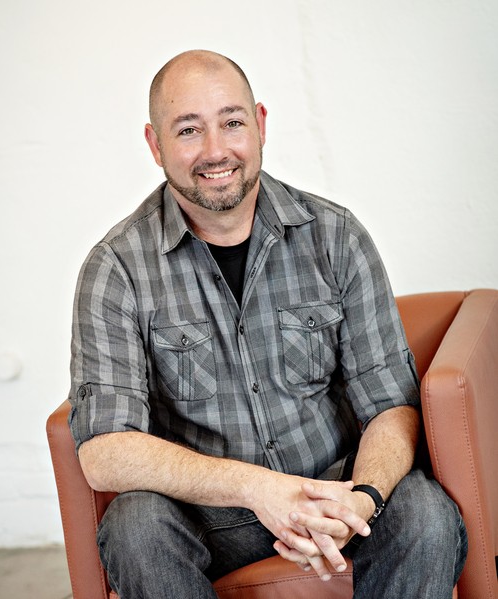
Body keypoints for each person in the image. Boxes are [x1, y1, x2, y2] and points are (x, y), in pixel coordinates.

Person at [69, 49, 467, 599]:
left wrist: (362, 499)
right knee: (135, 527)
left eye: (231, 122)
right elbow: (104, 451)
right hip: (210, 518)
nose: (215, 150)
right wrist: (258, 489)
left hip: (334, 491)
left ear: (259, 124)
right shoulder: (116, 268)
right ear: (155, 145)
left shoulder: (337, 236)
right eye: (188, 130)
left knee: (425, 513)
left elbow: (390, 406)